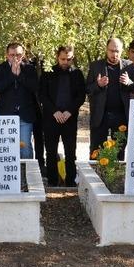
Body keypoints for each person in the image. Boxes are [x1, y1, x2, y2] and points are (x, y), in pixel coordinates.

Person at [38, 45, 85, 186]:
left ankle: (71, 183)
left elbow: (81, 96)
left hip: (69, 119)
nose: (65, 62)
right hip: (51, 118)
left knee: (70, 152)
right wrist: (54, 111)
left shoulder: (77, 74)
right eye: (63, 59)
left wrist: (69, 111)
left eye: (69, 59)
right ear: (57, 57)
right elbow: (42, 95)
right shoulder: (48, 72)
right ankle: (52, 182)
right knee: (51, 152)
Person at [86, 38, 134, 158]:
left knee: (119, 151)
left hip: (121, 115)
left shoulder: (129, 66)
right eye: (111, 51)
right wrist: (98, 85)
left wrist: (129, 82)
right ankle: (95, 176)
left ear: (122, 51)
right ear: (106, 49)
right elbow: (88, 89)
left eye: (117, 51)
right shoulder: (96, 66)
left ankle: (117, 177)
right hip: (101, 115)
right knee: (96, 150)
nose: (114, 54)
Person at [0, 42, 39, 159]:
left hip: (25, 114)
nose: (15, 57)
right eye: (12, 55)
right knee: (7, 149)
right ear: (7, 55)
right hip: (5, 115)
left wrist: (20, 75)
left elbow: (35, 87)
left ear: (23, 55)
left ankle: (27, 176)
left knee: (25, 148)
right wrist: (12, 75)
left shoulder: (29, 69)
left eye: (18, 54)